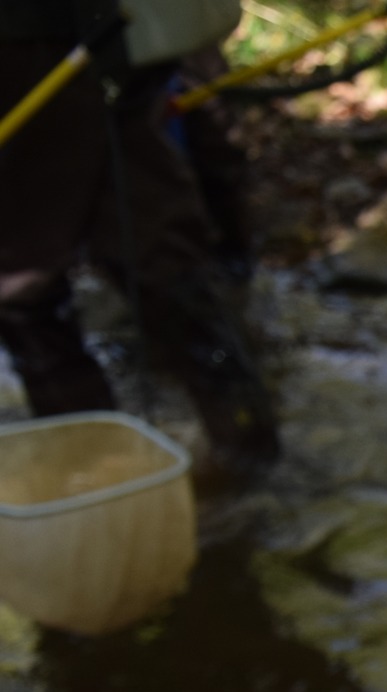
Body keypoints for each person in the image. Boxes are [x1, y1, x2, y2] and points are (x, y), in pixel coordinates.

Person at [0, 0, 280, 478]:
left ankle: (248, 465)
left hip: (105, 45)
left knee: (161, 266)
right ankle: (95, 476)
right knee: (29, 292)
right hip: (63, 52)